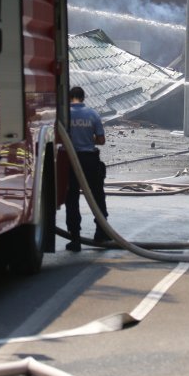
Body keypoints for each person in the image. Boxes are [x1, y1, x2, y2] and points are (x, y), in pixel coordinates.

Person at [64, 86, 108, 252]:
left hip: (70, 160)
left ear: (69, 97)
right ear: (83, 97)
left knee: (72, 199)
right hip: (89, 160)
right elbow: (101, 140)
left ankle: (75, 238)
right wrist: (88, 140)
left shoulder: (64, 115)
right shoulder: (93, 114)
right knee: (97, 196)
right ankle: (101, 232)